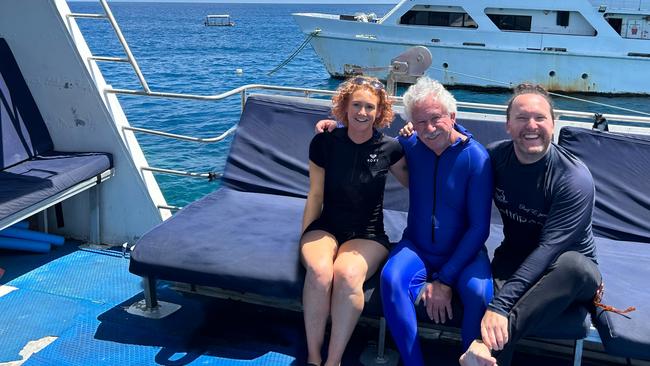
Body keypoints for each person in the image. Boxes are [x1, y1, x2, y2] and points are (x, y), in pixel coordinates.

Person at [317, 77, 494, 366]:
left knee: (478, 293)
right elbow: (366, 139)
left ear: (452, 116)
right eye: (420, 121)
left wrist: (445, 280)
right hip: (418, 245)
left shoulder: (476, 158)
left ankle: (470, 360)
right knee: (391, 278)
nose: (429, 128)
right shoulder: (409, 144)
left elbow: (479, 228)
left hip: (465, 251)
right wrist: (332, 127)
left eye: (436, 118)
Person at [459, 84, 601, 366]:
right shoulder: (494, 158)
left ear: (553, 123)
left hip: (564, 273)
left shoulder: (573, 180)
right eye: (522, 118)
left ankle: (481, 348)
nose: (531, 126)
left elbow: (549, 249)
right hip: (514, 258)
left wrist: (500, 305)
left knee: (574, 267)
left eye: (540, 118)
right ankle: (485, 356)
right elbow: (455, 173)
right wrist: (418, 136)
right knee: (495, 314)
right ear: (508, 125)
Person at [301, 76, 408, 366]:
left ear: (380, 111)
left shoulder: (391, 148)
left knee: (346, 274)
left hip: (368, 233)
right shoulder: (324, 142)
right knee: (320, 271)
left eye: (369, 107)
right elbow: (315, 194)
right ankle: (313, 356)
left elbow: (414, 183)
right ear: (344, 107)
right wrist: (305, 237)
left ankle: (333, 361)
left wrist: (416, 142)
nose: (362, 112)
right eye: (356, 105)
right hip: (327, 225)